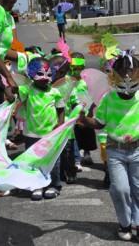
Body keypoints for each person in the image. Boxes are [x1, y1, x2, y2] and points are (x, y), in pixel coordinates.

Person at [78, 52, 139, 242]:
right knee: (121, 189)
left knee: (138, 188)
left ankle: (137, 222)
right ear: (114, 77)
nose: (128, 81)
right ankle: (124, 222)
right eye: (123, 76)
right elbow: (100, 123)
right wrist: (84, 119)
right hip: (115, 150)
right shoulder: (109, 98)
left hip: (137, 150)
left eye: (133, 75)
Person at [18, 57, 65, 200]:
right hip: (31, 134)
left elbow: (61, 109)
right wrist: (9, 91)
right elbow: (13, 88)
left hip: (50, 134)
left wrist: (60, 123)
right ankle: (36, 185)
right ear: (31, 74)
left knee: (53, 161)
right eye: (40, 74)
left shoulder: (55, 92)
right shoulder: (27, 90)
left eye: (48, 75)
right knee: (34, 160)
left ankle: (53, 185)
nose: (44, 78)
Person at [49, 55, 78, 184]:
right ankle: (59, 173)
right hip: (49, 124)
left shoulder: (68, 83)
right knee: (54, 151)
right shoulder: (45, 82)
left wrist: (79, 116)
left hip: (66, 124)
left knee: (67, 151)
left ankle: (70, 172)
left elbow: (75, 102)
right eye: (65, 72)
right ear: (59, 71)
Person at [71, 52, 97, 166]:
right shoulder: (69, 81)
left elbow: (86, 101)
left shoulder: (83, 82)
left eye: (78, 68)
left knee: (86, 133)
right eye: (73, 67)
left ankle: (87, 153)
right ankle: (75, 155)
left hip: (83, 111)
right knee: (74, 135)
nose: (76, 70)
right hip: (71, 110)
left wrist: (85, 117)